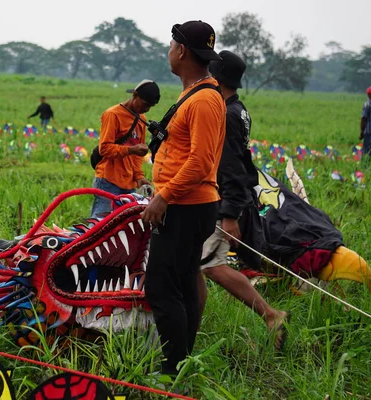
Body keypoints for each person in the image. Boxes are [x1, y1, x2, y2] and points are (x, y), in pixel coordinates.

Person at [141, 20, 225, 377]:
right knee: (184, 281)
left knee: (161, 287)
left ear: (181, 51)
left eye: (171, 44)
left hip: (185, 206)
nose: (169, 51)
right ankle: (183, 363)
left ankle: (172, 369)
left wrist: (164, 198)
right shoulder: (194, 93)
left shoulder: (204, 99)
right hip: (188, 204)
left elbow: (201, 162)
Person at [198, 50, 289, 350]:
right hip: (221, 197)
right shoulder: (237, 108)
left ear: (216, 77)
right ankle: (190, 328)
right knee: (195, 266)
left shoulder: (225, 114)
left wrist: (229, 214)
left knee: (212, 265)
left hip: (222, 198)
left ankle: (272, 315)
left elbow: (233, 165)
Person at [90, 80, 160, 218]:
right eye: (145, 104)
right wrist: (131, 150)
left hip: (129, 183)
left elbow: (137, 156)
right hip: (108, 180)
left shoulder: (141, 119)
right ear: (135, 95)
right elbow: (104, 148)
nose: (147, 109)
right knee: (100, 224)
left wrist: (139, 176)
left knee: (122, 227)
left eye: (150, 107)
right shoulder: (112, 115)